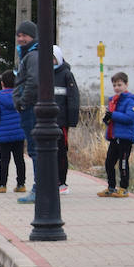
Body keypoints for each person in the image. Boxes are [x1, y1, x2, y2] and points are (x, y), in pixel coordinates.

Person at [99, 72, 134, 198]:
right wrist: (107, 119)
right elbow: (113, 118)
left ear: (126, 85)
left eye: (120, 85)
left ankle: (123, 188)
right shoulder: (114, 101)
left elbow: (131, 117)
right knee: (109, 163)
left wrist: (114, 115)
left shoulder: (130, 101)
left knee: (123, 163)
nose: (117, 87)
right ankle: (111, 187)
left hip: (125, 138)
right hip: (114, 137)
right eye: (115, 85)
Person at [13, 20, 41, 203]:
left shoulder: (32, 56)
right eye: (19, 35)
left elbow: (33, 81)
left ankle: (39, 188)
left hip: (31, 109)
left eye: (25, 35)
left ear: (33, 36)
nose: (21, 38)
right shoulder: (28, 55)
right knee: (36, 149)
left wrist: (23, 102)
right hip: (29, 108)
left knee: (35, 149)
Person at [0, 69, 27, 193]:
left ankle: (2, 185)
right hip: (19, 134)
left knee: (4, 160)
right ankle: (21, 184)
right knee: (19, 160)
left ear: (2, 83)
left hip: (3, 136)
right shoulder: (21, 97)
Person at [51, 45, 81, 194]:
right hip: (46, 122)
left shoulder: (66, 75)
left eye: (54, 58)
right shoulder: (44, 74)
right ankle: (49, 180)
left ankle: (62, 182)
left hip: (61, 122)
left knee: (61, 152)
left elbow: (73, 97)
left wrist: (72, 120)